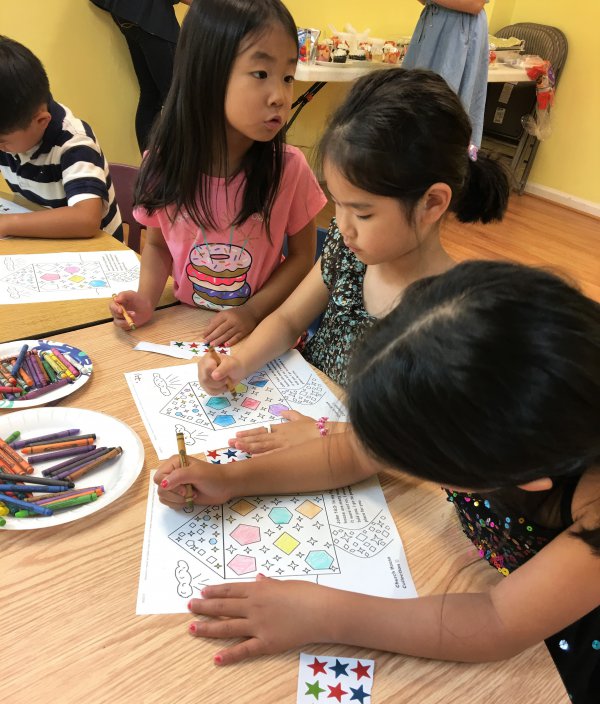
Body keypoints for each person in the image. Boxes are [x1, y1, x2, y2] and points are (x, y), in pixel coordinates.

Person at [156, 260, 600, 704]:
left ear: (526, 475)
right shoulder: (485, 412)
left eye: (426, 464)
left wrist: (323, 613)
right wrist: (232, 480)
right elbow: (355, 454)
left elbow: (497, 621)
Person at [197, 67, 508, 454]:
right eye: (337, 204)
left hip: (367, 456)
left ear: (431, 203)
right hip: (303, 404)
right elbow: (288, 319)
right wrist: (239, 362)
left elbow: (425, 439)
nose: (342, 226)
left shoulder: (455, 311)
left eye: (362, 213)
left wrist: (327, 434)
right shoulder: (348, 252)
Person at [110, 0, 326, 342]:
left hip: (262, 330)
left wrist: (251, 312)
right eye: (261, 74)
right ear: (205, 75)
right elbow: (158, 245)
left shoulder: (289, 167)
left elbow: (302, 258)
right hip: (186, 327)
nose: (281, 97)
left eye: (288, 77)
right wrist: (147, 299)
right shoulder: (163, 164)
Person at [0, 36, 122, 240]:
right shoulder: (12, 131)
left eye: (2, 142)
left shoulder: (74, 143)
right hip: (41, 239)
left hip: (92, 250)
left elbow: (86, 220)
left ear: (41, 121)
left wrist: (8, 223)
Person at [89, 1, 192, 153]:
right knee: (178, 97)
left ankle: (150, 163)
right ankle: (180, 162)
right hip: (150, 17)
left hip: (128, 17)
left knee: (152, 96)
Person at [402, 1, 490, 153]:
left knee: (445, 108)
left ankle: (439, 162)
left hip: (458, 33)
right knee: (412, 100)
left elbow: (474, 4)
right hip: (432, 24)